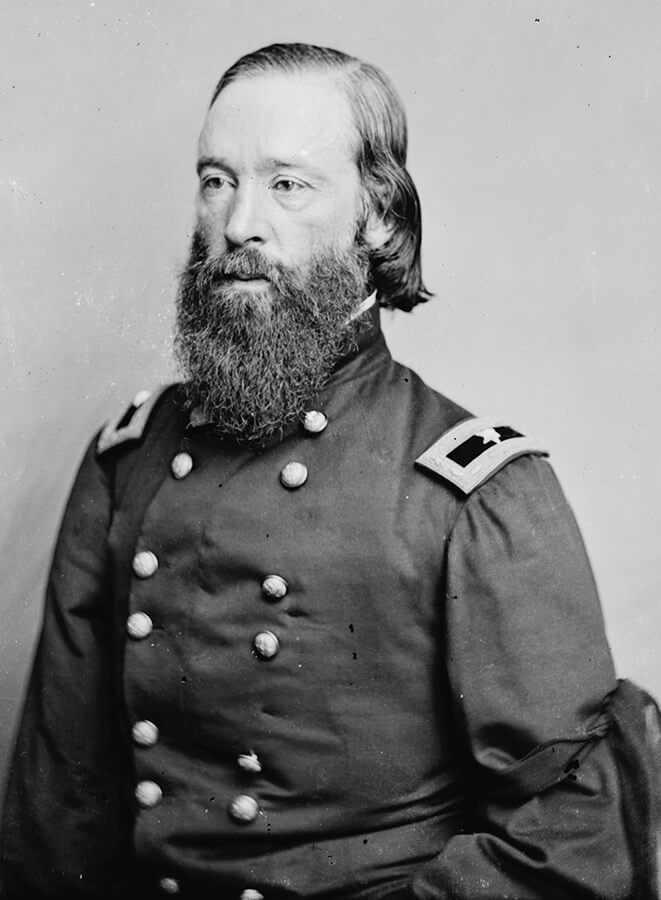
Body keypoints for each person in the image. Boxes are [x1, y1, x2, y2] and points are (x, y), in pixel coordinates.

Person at [1, 43, 632, 900]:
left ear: (379, 220)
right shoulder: (128, 459)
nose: (239, 223)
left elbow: (571, 836)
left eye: (287, 185)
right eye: (216, 180)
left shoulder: (475, 494)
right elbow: (58, 810)